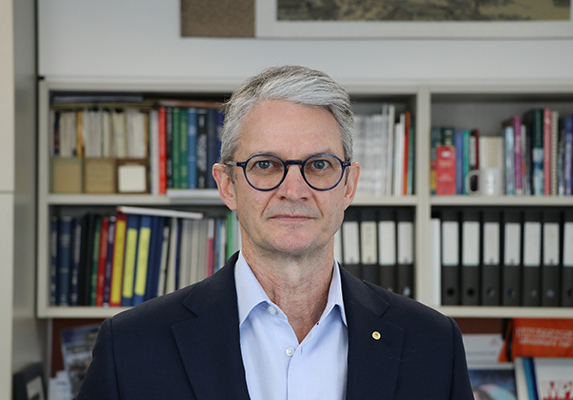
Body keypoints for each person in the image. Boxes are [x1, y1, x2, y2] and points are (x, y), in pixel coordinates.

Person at [77, 65, 474, 400]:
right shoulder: (131, 346)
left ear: (349, 186)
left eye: (319, 165)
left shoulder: (434, 344)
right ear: (228, 185)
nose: (293, 190)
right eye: (266, 165)